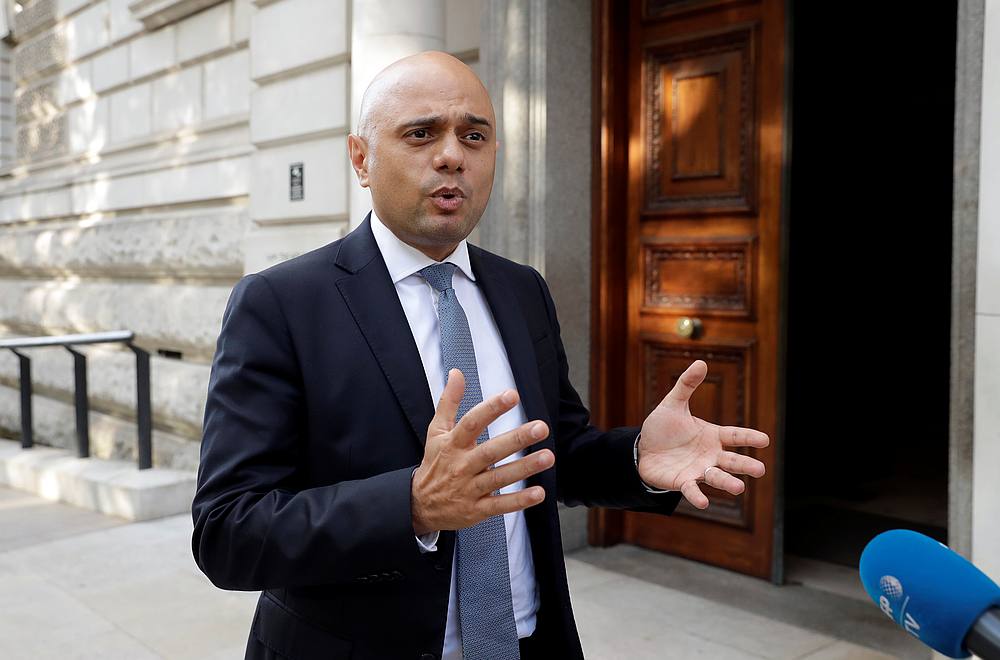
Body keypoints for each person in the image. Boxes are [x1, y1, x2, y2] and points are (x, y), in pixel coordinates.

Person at [191, 51, 769, 660]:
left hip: (528, 643)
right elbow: (228, 531)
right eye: (421, 133)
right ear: (361, 159)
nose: (451, 155)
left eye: (474, 135)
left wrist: (635, 458)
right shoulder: (281, 303)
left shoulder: (522, 289)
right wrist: (410, 507)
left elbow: (552, 455)